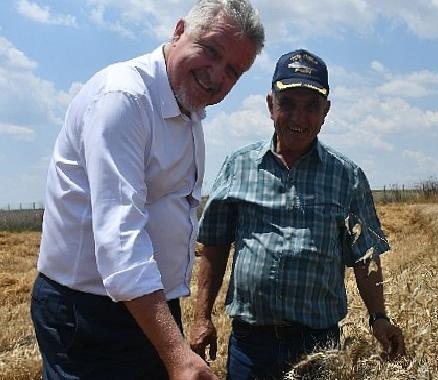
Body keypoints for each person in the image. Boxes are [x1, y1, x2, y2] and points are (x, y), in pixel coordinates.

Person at [30, 1, 264, 379]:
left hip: (146, 305)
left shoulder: (187, 108)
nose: (216, 75)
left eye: (233, 71)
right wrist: (177, 353)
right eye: (211, 51)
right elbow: (121, 242)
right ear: (178, 31)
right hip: (91, 314)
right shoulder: (123, 100)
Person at [189, 48, 406, 379]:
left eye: (311, 107)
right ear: (270, 105)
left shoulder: (346, 176)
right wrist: (202, 317)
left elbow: (365, 256)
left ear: (326, 112)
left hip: (318, 346)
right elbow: (215, 245)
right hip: (251, 344)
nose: (298, 118)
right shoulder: (239, 165)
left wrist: (379, 317)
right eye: (287, 104)